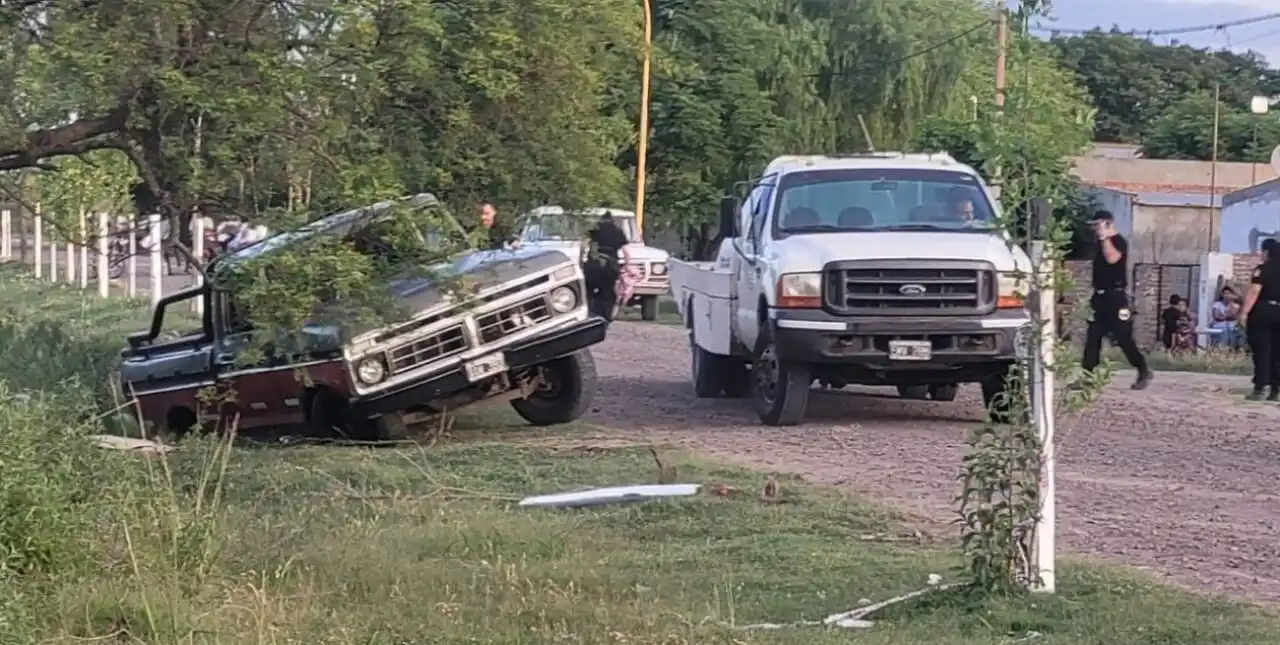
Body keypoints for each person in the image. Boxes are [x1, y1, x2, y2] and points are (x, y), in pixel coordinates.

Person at [1080, 210, 1153, 390]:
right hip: (1099, 298)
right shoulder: (1098, 244)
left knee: (1123, 337)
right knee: (1093, 337)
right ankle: (1087, 376)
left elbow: (1112, 259)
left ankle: (1143, 369)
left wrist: (1105, 238)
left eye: (1098, 225)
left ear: (1108, 223)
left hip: (1116, 298)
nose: (1095, 229)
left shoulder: (1118, 241)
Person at [1241, 238, 1280, 400]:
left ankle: (1260, 388)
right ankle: (1276, 390)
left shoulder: (1262, 269)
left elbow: (1254, 291)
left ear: (1267, 252)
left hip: (1263, 312)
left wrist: (1244, 313)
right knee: (1277, 352)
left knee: (1262, 350)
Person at [584, 211, 631, 322]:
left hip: (594, 263)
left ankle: (588, 313)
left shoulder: (594, 230)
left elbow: (584, 246)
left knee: (588, 289)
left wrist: (582, 261)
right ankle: (606, 315)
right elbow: (626, 252)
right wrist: (627, 265)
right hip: (610, 265)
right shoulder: (617, 231)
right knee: (608, 290)